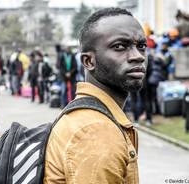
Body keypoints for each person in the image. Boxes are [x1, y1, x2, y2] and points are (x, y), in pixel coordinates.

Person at [44, 7, 147, 183]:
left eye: (141, 46)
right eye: (120, 46)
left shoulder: (91, 117)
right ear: (89, 61)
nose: (138, 56)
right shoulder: (95, 130)